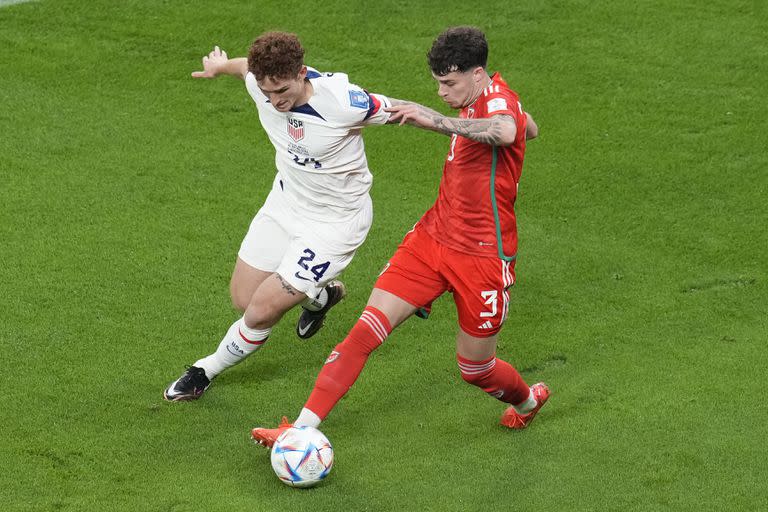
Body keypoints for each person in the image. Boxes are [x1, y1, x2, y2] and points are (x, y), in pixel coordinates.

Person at [251, 26, 547, 444]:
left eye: (449, 83)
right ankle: (299, 430)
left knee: (475, 368)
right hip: (432, 239)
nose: (442, 93)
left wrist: (434, 119)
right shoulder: (486, 98)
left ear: (478, 74)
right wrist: (513, 125)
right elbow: (527, 128)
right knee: (365, 331)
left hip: (483, 258)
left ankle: (528, 402)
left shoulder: (497, 101)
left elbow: (506, 131)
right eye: (438, 85)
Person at [164, 32, 393, 401]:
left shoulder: (343, 103)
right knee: (243, 297)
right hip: (285, 204)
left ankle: (205, 369)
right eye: (267, 93)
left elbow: (406, 112)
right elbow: (244, 70)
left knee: (259, 311)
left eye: (282, 91)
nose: (275, 101)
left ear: (302, 73)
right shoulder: (261, 83)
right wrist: (220, 67)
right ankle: (320, 298)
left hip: (334, 224)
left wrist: (466, 129)